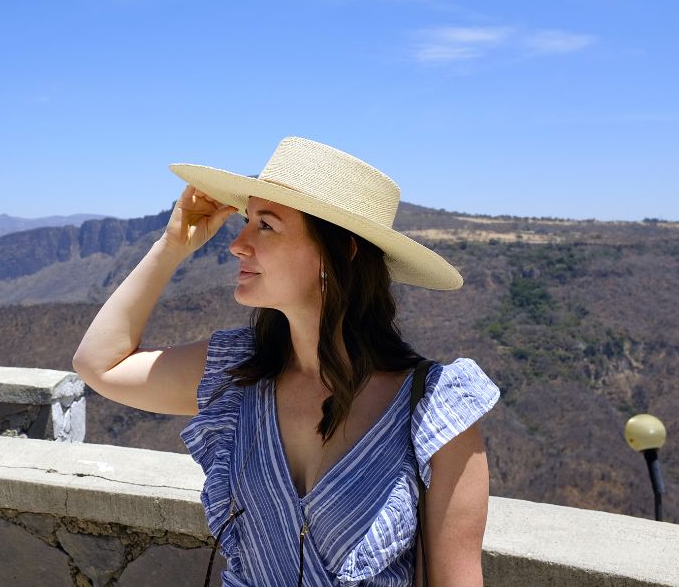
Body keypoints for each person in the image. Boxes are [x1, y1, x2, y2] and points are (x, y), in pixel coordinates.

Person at [73, 136, 497, 587]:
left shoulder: (435, 411)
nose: (237, 243)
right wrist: (172, 245)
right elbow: (100, 365)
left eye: (266, 226)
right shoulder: (238, 374)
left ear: (340, 253)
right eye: (246, 221)